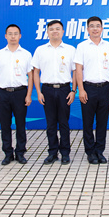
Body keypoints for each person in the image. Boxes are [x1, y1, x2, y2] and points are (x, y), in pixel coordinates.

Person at [32, 20, 76, 165]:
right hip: (47, 90)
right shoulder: (40, 50)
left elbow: (75, 71)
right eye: (51, 29)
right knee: (50, 123)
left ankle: (65, 152)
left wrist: (73, 90)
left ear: (63, 32)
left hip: (64, 89)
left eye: (58, 29)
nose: (55, 31)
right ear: (47, 32)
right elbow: (36, 72)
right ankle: (52, 152)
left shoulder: (70, 50)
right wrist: (39, 92)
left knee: (64, 123)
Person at [74, 16, 109, 165]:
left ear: (102, 28)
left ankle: (100, 151)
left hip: (105, 88)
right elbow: (78, 69)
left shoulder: (108, 46)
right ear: (87, 29)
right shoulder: (82, 46)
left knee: (102, 122)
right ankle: (90, 152)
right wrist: (81, 90)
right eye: (92, 26)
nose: (95, 29)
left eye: (98, 26)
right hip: (88, 88)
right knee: (88, 122)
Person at [0, 24, 33, 165]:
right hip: (3, 93)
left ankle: (20, 152)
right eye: (10, 33)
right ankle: (8, 153)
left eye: (15, 34)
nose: (13, 36)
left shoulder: (26, 54)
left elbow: (31, 76)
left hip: (20, 93)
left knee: (20, 124)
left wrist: (28, 95)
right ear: (5, 36)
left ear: (20, 36)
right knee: (5, 125)